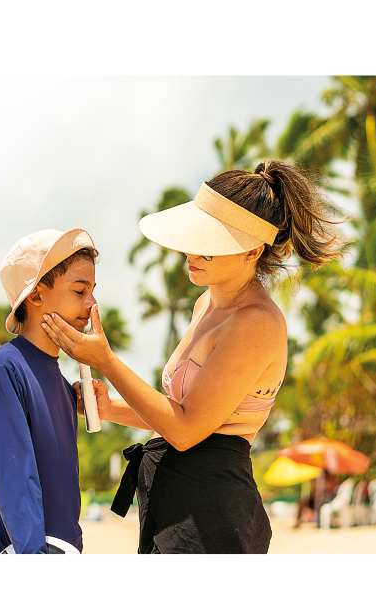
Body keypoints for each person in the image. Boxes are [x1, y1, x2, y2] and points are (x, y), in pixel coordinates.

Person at [42, 160, 346, 553]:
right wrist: (111, 407)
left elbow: (187, 431)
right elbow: (189, 412)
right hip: (178, 502)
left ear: (253, 249)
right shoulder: (206, 304)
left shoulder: (257, 322)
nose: (191, 251)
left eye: (210, 244)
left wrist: (107, 361)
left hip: (212, 511)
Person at [0, 228, 98, 554]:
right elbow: (16, 484)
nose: (91, 304)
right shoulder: (5, 369)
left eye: (92, 291)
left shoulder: (63, 385)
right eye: (80, 290)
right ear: (35, 295)